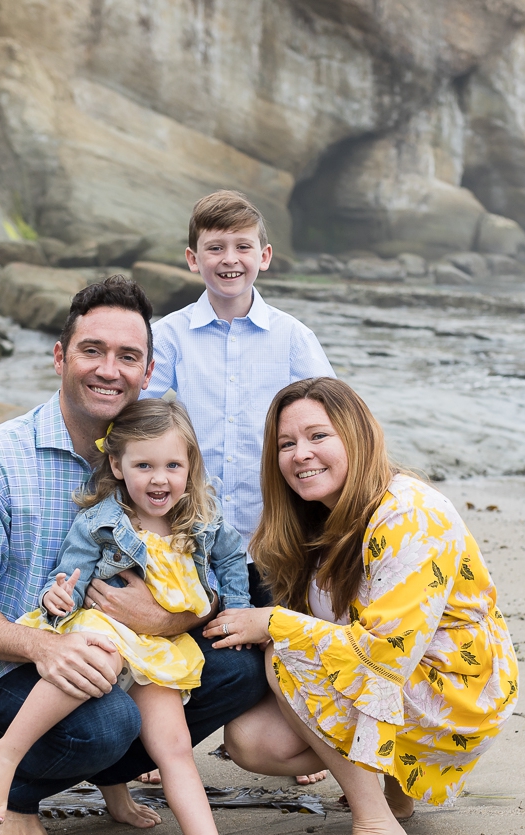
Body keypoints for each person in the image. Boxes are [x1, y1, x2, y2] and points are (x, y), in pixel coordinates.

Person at [0, 276, 277, 835]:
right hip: (6, 669)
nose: (109, 370)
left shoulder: (157, 458)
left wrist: (177, 617)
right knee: (104, 721)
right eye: (92, 350)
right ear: (60, 356)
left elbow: (205, 561)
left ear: (148, 369)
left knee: (236, 674)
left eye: (127, 357)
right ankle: (21, 790)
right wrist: (44, 648)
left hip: (123, 650)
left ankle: (113, 779)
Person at [205, 377, 521, 835]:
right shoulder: (316, 519)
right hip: (408, 681)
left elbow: (384, 654)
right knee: (252, 741)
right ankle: (396, 792)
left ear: (357, 435)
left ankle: (377, 825)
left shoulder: (409, 514)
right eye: (286, 444)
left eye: (318, 436)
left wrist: (273, 623)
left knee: (286, 649)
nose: (300, 454)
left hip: (459, 692)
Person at [0, 398, 268, 835]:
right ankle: (4, 755)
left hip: (159, 648)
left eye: (173, 465)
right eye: (144, 465)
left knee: (172, 746)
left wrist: (234, 607)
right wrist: (57, 596)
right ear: (117, 465)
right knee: (99, 662)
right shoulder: (100, 522)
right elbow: (69, 575)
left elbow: (236, 557)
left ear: (190, 465)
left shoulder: (202, 522)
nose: (159, 479)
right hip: (105, 628)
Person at [138, 189, 335, 787]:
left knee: (280, 636)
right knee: (181, 639)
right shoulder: (168, 336)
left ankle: (303, 731)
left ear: (265, 255)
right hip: (191, 533)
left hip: (273, 529)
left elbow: (332, 420)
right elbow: (144, 423)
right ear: (191, 260)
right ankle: (157, 745)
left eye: (242, 246)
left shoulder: (292, 338)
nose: (230, 258)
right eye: (214, 248)